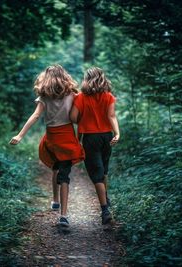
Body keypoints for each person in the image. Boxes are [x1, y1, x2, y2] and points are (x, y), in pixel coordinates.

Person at [9, 65, 85, 228]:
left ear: (47, 78)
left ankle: (55, 200)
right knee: (64, 175)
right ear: (65, 77)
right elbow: (79, 114)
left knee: (55, 167)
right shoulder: (73, 95)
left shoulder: (44, 97)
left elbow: (36, 115)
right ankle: (63, 215)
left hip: (52, 138)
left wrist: (20, 135)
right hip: (67, 137)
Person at [70, 67, 120, 225]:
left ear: (87, 79)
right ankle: (106, 199)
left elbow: (73, 117)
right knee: (104, 170)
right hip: (107, 136)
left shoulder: (80, 97)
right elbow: (111, 116)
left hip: (90, 138)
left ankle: (105, 209)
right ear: (102, 78)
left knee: (97, 174)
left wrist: (84, 119)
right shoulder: (109, 96)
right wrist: (117, 133)